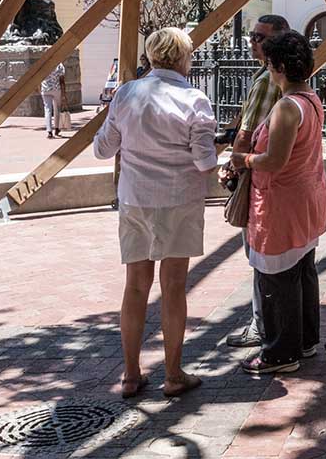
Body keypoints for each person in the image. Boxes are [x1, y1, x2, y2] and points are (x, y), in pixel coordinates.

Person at [93, 27, 217, 399]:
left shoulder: (126, 94)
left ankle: (131, 374)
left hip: (135, 198)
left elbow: (102, 150)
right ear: (182, 57)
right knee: (174, 286)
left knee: (135, 286)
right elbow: (204, 161)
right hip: (179, 200)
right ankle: (173, 373)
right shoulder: (194, 99)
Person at [229, 30, 326, 375]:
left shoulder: (287, 107)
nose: (268, 71)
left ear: (281, 66)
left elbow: (274, 159)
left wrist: (244, 160)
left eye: (270, 65)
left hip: (280, 205)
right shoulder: (312, 99)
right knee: (302, 271)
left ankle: (279, 353)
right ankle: (305, 340)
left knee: (276, 278)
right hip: (304, 200)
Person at [224, 14, 290, 349]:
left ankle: (263, 327)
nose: (253, 42)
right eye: (252, 36)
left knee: (260, 256)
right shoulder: (290, 85)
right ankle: (289, 332)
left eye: (259, 37)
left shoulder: (268, 80)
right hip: (286, 183)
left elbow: (249, 133)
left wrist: (235, 165)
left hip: (261, 177)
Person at [41, 61, 66, 138]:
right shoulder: (59, 65)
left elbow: (39, 78)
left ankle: (49, 131)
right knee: (57, 109)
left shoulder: (44, 65)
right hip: (56, 89)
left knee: (47, 110)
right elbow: (62, 80)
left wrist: (40, 89)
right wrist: (64, 92)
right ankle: (57, 128)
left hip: (45, 89)